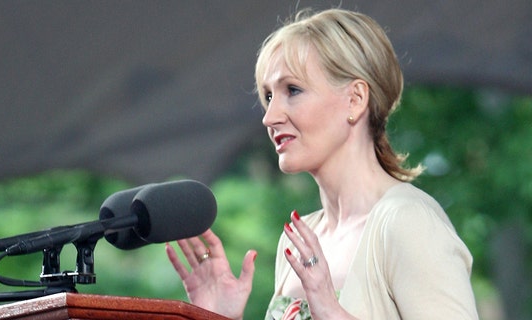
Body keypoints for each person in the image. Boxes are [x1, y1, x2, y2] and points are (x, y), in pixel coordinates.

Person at [165, 8, 478, 320]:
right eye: (269, 96)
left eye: (293, 90)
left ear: (355, 99)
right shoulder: (300, 238)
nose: (269, 117)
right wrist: (219, 317)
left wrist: (331, 311)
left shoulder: (408, 221)